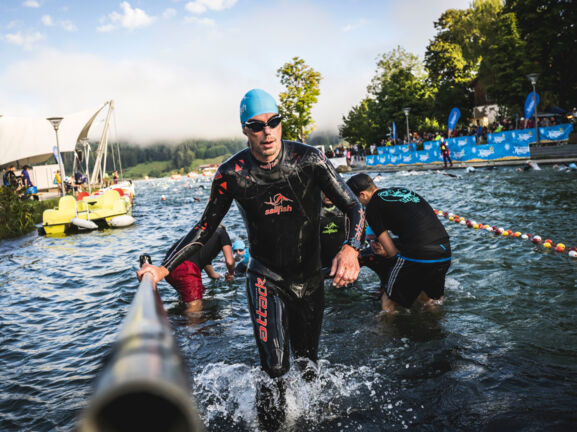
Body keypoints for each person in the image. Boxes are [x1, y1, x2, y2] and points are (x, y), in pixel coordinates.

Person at [137, 88, 364, 429]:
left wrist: (351, 249)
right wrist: (163, 268)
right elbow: (204, 227)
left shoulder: (310, 160)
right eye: (256, 126)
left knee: (307, 365)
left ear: (281, 123)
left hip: (309, 279)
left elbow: (354, 206)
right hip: (265, 277)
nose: (267, 131)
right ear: (245, 130)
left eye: (273, 122)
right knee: (274, 366)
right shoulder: (232, 174)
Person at [346, 173, 451, 314]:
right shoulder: (401, 191)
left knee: (388, 300)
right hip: (444, 250)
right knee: (426, 299)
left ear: (363, 194)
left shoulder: (372, 208)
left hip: (419, 252)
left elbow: (391, 251)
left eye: (356, 200)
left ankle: (387, 334)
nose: (358, 205)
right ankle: (436, 330)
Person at [164, 225, 235, 313]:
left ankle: (178, 316)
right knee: (195, 308)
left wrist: (220, 277)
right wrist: (231, 273)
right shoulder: (222, 232)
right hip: (186, 269)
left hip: (167, 268)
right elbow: (230, 261)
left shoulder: (198, 238)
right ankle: (188, 325)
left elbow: (211, 274)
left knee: (201, 291)